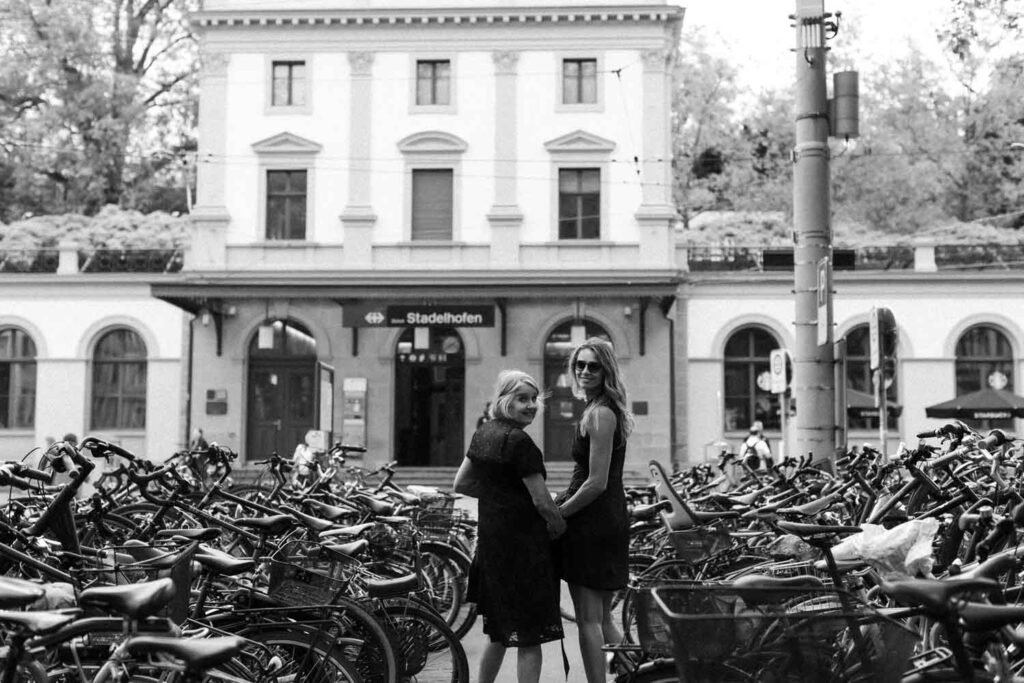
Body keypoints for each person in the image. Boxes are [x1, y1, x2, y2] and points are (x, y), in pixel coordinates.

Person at [454, 370, 566, 683]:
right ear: (505, 401)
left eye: (534, 399)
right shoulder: (520, 443)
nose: (531, 405)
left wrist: (499, 494)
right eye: (522, 399)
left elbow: (461, 483)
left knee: (499, 634)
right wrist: (561, 527)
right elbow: (543, 503)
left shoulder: (484, 432)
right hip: (524, 551)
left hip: (492, 548)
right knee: (530, 637)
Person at [554, 337, 635, 682]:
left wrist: (560, 514)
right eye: (580, 365)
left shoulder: (601, 413)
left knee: (589, 619)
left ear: (606, 370)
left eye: (593, 366)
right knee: (601, 617)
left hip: (594, 523)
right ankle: (642, 673)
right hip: (604, 518)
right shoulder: (600, 409)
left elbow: (596, 482)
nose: (585, 371)